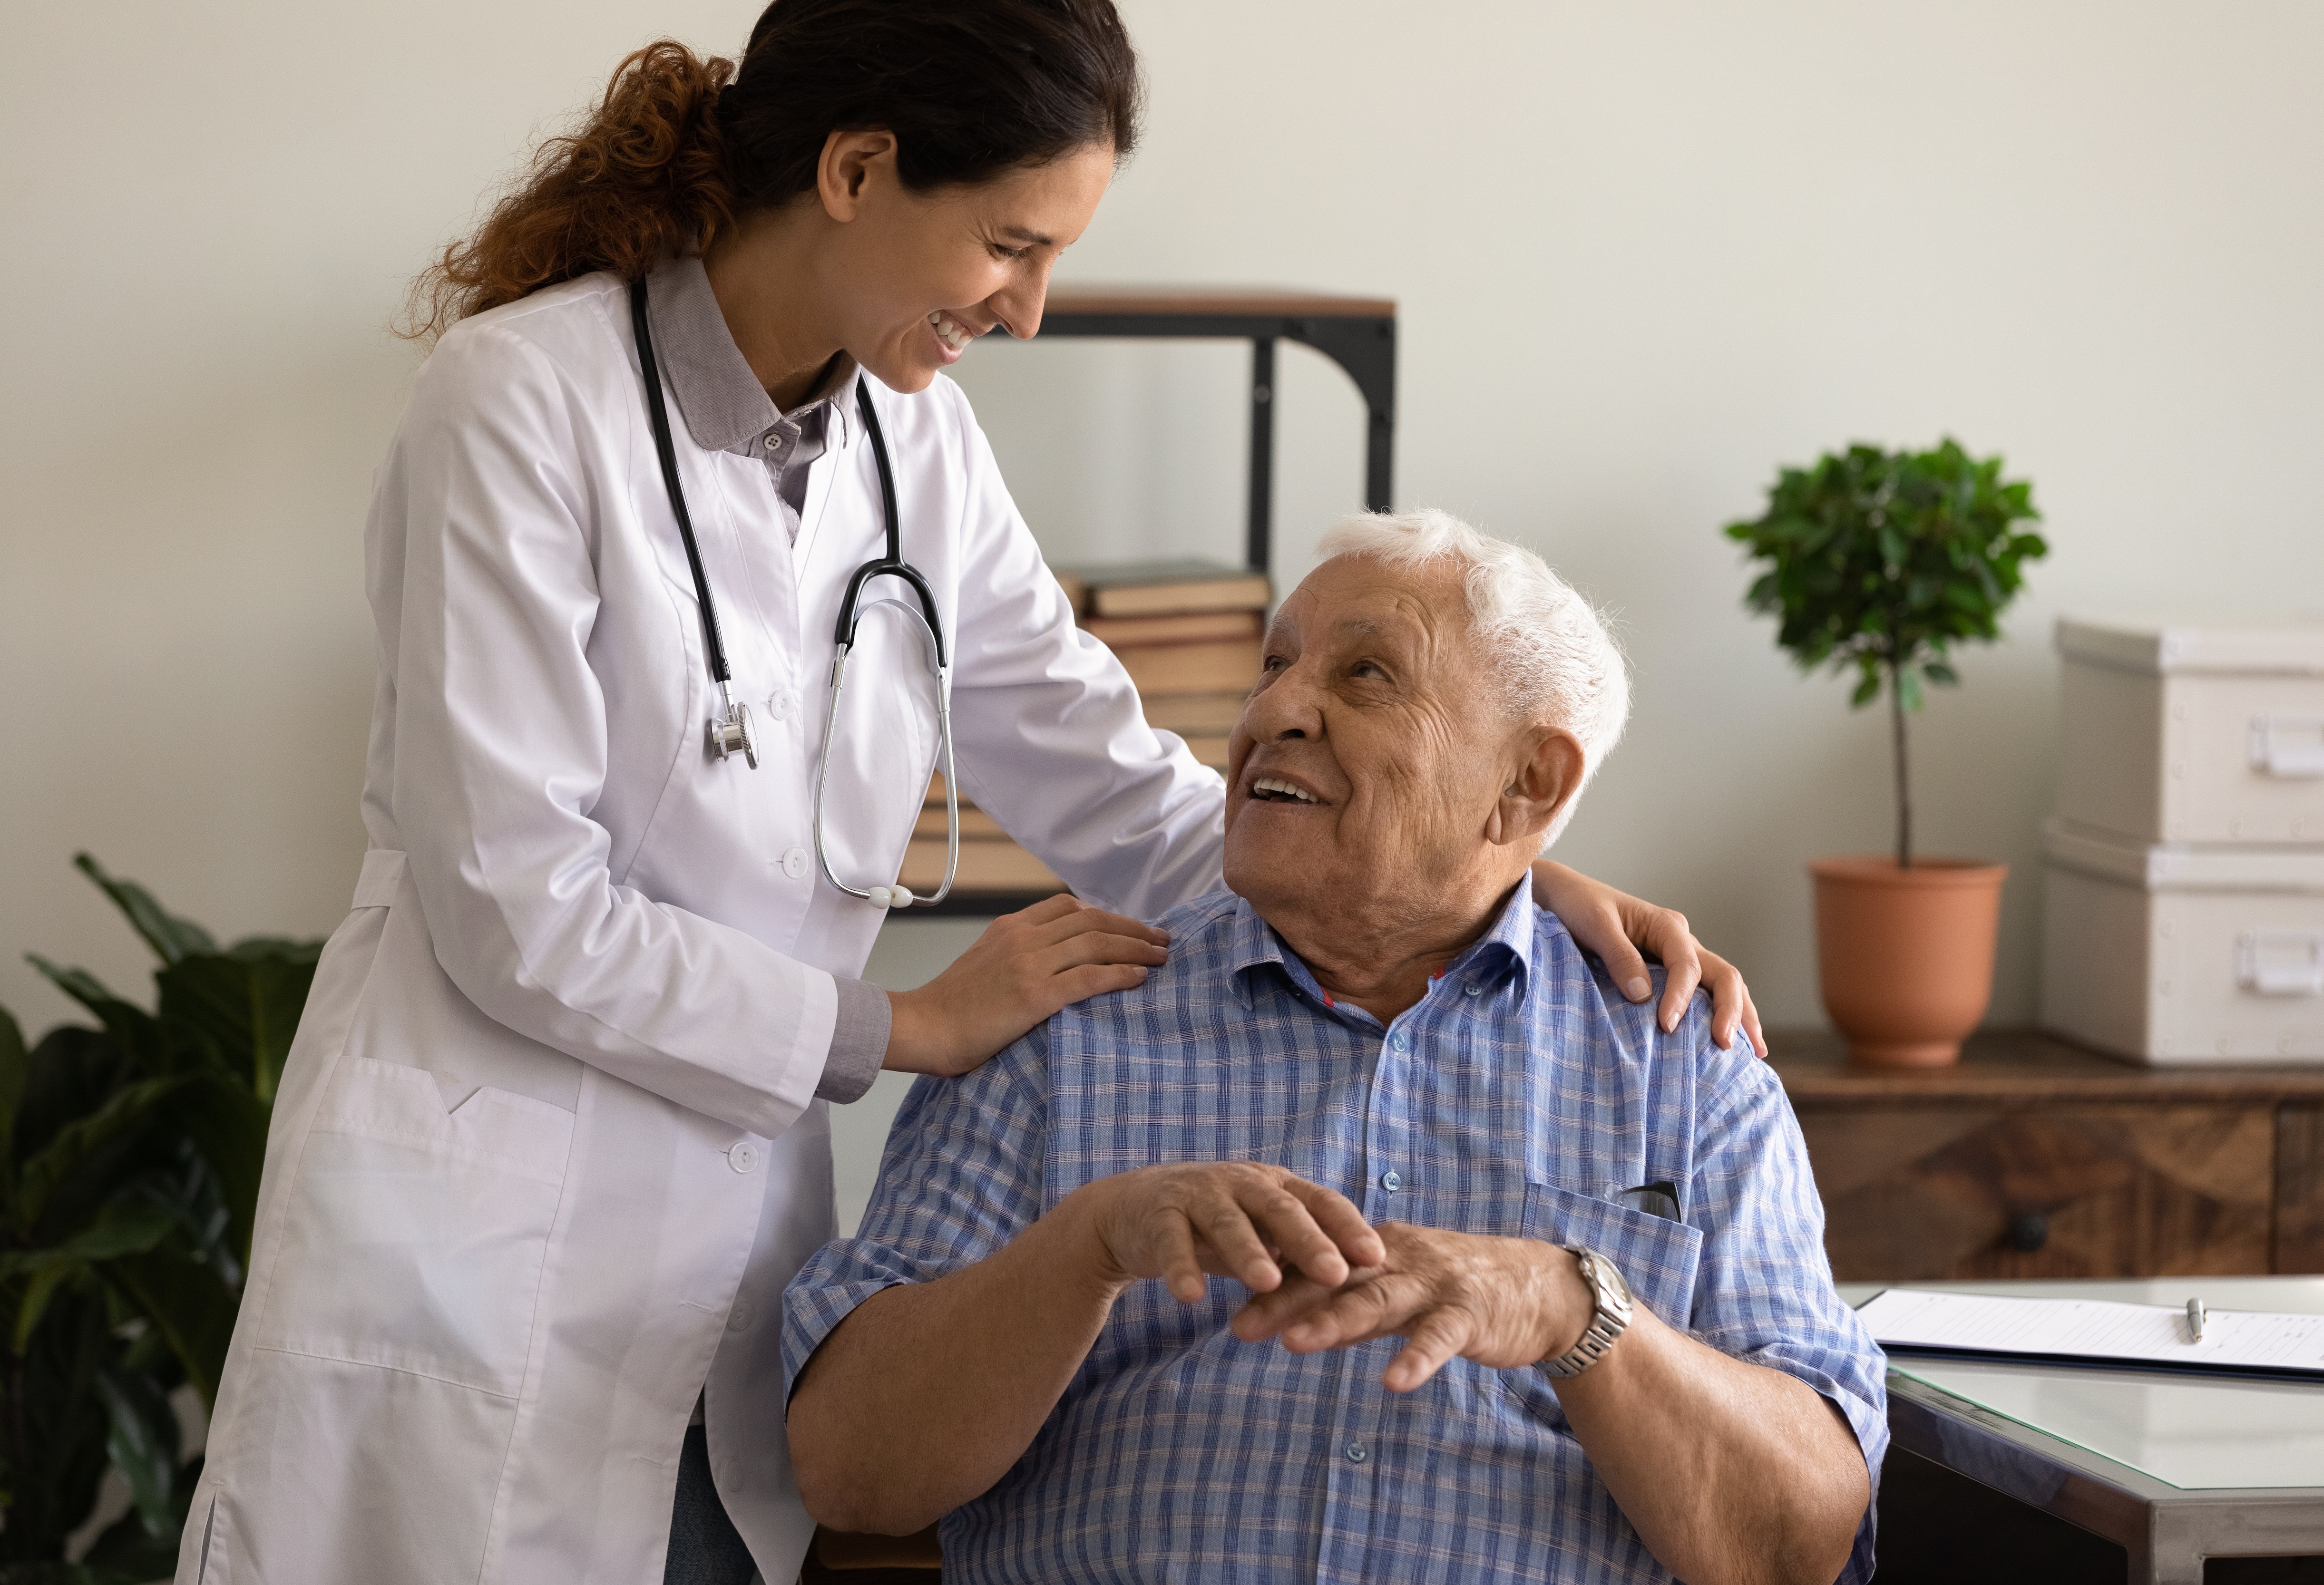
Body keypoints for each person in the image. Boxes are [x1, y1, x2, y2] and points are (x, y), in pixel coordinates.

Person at [175, 9, 1765, 1583]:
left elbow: (1123, 788)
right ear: (858, 170)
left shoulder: (908, 449)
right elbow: (513, 908)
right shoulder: (519, 400)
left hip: (719, 1268)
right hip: (476, 1244)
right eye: (1011, 245)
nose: (1027, 310)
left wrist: (1492, 874)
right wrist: (905, 1026)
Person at [784, 511, 1885, 1585]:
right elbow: (851, 1473)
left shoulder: (1684, 1062)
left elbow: (1801, 1545)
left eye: (1365, 676)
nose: (1275, 711)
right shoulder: (1061, 1017)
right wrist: (1087, 1246)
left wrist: (1574, 1308)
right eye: (1272, 665)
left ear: (1529, 783)